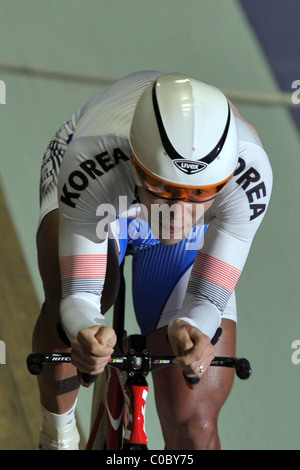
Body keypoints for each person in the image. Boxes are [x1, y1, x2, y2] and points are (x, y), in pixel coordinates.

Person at [33, 70, 272, 450]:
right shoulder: (94, 155)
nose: (176, 213)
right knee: (68, 312)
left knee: (195, 421)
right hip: (104, 194)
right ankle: (57, 432)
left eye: (198, 193)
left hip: (143, 198)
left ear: (223, 181)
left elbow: (209, 299)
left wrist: (195, 324)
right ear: (138, 164)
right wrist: (86, 325)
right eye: (165, 190)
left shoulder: (248, 174)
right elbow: (81, 295)